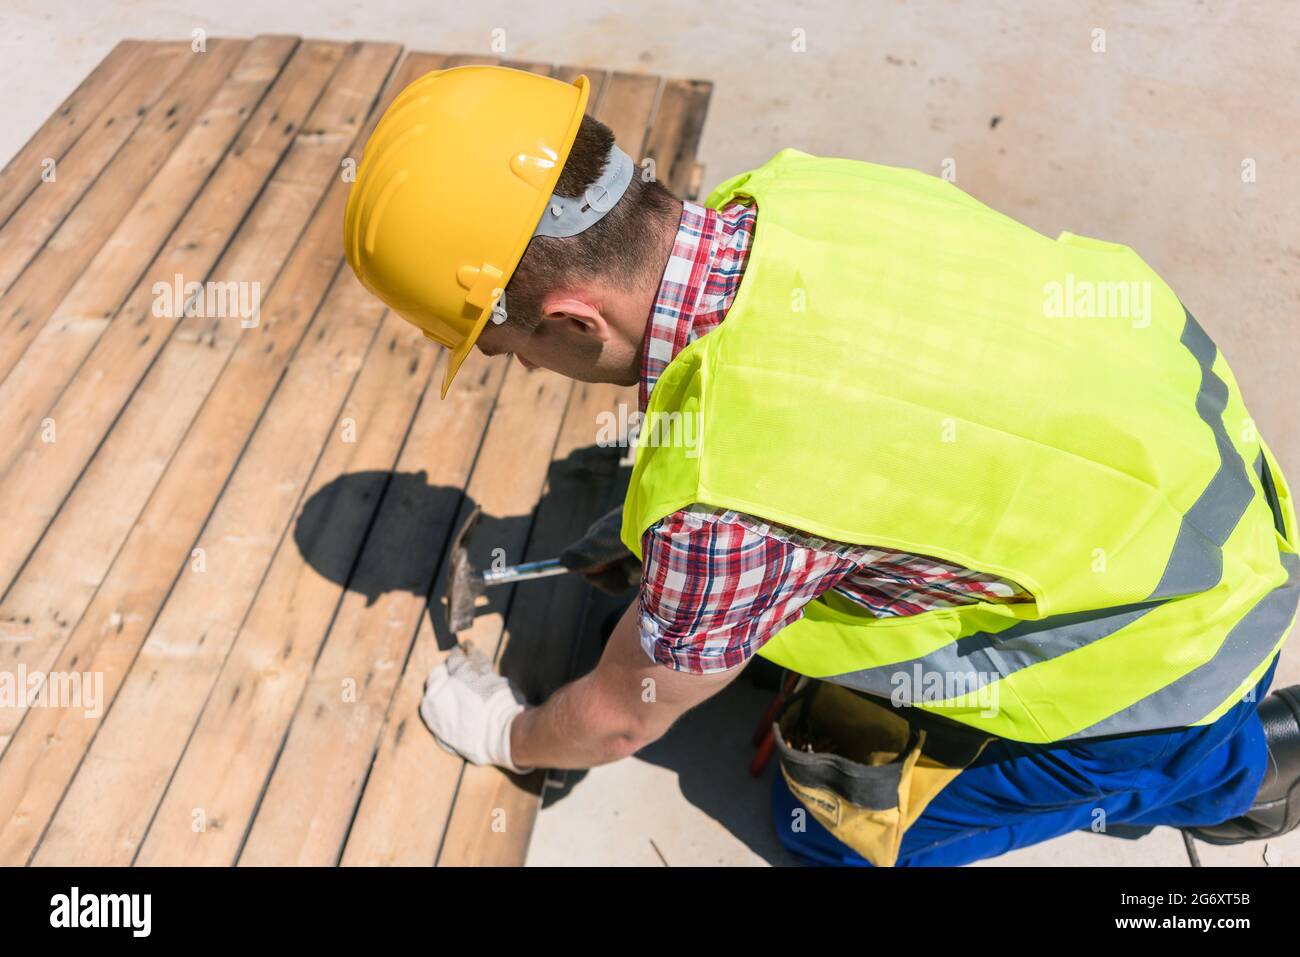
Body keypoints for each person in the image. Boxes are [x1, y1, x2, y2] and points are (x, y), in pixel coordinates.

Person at [344, 64, 1300, 865]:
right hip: (1214, 487)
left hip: (1172, 660)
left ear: (571, 319)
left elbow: (620, 719)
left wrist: (506, 731)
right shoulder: (795, 193)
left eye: (513, 351)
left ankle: (1239, 772)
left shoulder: (721, 507)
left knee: (827, 820)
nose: (527, 372)